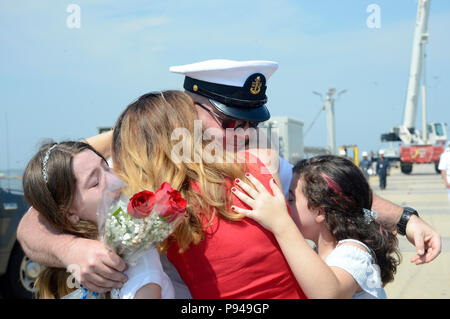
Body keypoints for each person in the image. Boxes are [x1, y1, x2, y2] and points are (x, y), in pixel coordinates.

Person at [17, 59, 441, 295]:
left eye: (248, 124)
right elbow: (36, 215)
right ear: (190, 111)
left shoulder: (251, 163)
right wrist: (73, 250)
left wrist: (405, 219)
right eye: (230, 121)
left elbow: (329, 191)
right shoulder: (130, 180)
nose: (243, 134)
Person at [231, 155, 401, 298]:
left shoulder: (354, 252)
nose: (285, 205)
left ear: (319, 212)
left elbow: (328, 293)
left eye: (291, 199)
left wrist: (281, 223)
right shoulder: (319, 253)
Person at [22, 141, 175, 299]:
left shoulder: (141, 263)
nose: (114, 180)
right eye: (95, 183)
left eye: (107, 167)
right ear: (69, 213)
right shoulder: (65, 268)